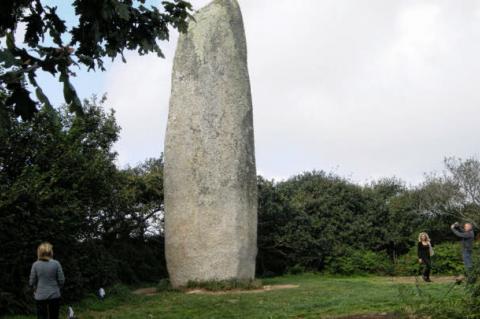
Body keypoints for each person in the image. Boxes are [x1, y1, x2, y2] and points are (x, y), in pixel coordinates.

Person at [29, 242, 65, 319]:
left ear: (39, 252)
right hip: (55, 294)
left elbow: (31, 282)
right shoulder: (56, 263)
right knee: (54, 316)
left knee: (41, 316)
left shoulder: (35, 264)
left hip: (40, 295)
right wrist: (57, 288)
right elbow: (61, 280)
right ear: (50, 252)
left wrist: (35, 290)